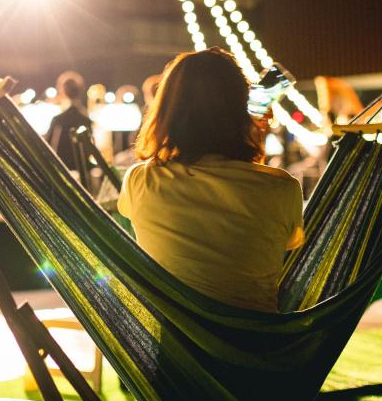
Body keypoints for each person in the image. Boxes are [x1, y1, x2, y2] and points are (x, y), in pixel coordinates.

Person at [118, 48, 304, 313]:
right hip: (259, 348)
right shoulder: (281, 188)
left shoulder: (140, 180)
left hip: (174, 348)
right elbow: (277, 248)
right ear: (242, 108)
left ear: (167, 110)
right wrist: (254, 136)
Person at [45, 71, 91, 169]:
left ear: (63, 91)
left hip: (63, 169)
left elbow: (47, 147)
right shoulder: (86, 119)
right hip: (83, 169)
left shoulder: (58, 120)